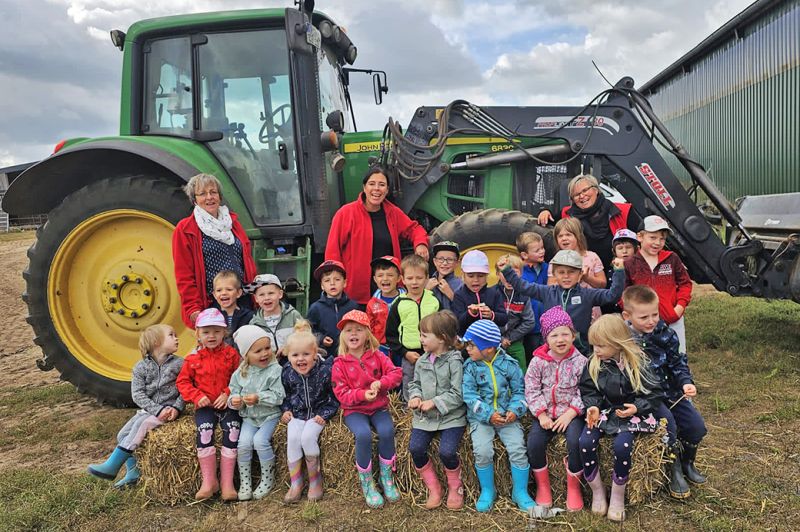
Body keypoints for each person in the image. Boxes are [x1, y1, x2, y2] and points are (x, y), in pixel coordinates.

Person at [622, 285, 707, 499]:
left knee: (696, 427)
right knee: (668, 425)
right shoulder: (623, 340)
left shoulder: (666, 333)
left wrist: (685, 382)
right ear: (627, 316)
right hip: (647, 398)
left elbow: (678, 362)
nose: (651, 321)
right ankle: (673, 468)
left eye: (655, 314)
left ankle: (688, 462)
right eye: (644, 317)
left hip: (671, 392)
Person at [579, 314, 663, 522]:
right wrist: (593, 407)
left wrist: (637, 407)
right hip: (605, 412)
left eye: (600, 346)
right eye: (593, 345)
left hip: (629, 414)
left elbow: (654, 393)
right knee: (585, 442)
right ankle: (597, 491)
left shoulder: (638, 363)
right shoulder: (594, 363)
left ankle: (617, 496)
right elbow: (589, 390)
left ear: (617, 343)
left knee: (622, 446)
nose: (595, 350)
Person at [87, 324, 184, 488]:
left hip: (170, 411)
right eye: (171, 335)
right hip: (151, 410)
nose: (177, 338)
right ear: (156, 342)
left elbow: (187, 388)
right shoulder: (140, 367)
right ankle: (133, 473)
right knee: (122, 435)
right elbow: (137, 394)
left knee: (142, 424)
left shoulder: (180, 364)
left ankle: (112, 466)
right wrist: (156, 410)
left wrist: (177, 407)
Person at [325, 166, 430, 305]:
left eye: (381, 185)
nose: (376, 189)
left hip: (389, 293)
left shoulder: (392, 212)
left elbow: (414, 229)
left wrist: (421, 244)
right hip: (356, 295)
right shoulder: (346, 213)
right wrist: (334, 284)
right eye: (372, 184)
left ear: (387, 190)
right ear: (364, 187)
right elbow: (333, 252)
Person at [331, 310, 403, 509]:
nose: (353, 333)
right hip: (354, 410)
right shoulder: (339, 364)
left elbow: (396, 373)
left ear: (367, 334)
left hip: (378, 407)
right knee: (363, 435)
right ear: (343, 336)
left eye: (359, 329)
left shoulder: (378, 356)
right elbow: (341, 393)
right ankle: (367, 483)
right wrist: (362, 395)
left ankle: (386, 478)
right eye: (348, 330)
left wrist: (381, 383)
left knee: (387, 431)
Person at [461, 320, 535, 513]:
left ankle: (520, 491)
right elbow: (469, 395)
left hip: (507, 417)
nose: (467, 349)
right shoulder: (470, 367)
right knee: (482, 451)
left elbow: (520, 391)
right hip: (481, 418)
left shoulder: (510, 364)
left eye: (472, 345)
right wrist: (488, 414)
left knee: (518, 448)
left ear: (488, 348)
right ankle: (488, 490)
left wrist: (515, 410)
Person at [500, 249, 625, 355]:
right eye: (561, 272)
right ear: (554, 274)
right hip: (552, 350)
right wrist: (507, 271)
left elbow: (612, 296)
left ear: (580, 274)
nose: (566, 276)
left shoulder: (587, 294)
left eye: (571, 272)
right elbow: (523, 286)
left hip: (580, 351)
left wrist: (619, 272)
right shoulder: (547, 292)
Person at [173, 173, 257, 328]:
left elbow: (247, 261)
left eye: (213, 192)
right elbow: (184, 274)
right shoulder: (185, 229)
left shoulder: (233, 223)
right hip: (214, 303)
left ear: (220, 196)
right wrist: (193, 307)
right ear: (194, 199)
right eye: (202, 194)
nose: (209, 197)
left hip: (242, 298)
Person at [176, 308, 242, 501]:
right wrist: (197, 396)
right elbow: (183, 382)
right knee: (205, 432)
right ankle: (209, 481)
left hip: (227, 405)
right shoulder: (192, 358)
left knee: (233, 431)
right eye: (206, 332)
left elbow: (240, 378)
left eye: (216, 331)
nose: (211, 336)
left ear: (224, 332)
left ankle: (227, 483)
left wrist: (227, 393)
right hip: (205, 407)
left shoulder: (231, 355)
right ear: (198, 334)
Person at [524, 308, 587, 511]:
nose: (560, 339)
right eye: (554, 335)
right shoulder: (538, 362)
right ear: (546, 339)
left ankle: (574, 487)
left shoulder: (581, 362)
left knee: (575, 441)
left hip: (571, 414)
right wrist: (541, 414)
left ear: (573, 336)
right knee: (534, 443)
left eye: (565, 334)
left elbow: (586, 390)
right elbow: (531, 389)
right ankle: (543, 486)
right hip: (547, 413)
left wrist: (571, 413)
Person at [407, 311, 466, 510]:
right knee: (416, 448)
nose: (420, 339)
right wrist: (415, 396)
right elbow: (415, 383)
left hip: (451, 417)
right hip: (425, 418)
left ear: (441, 338)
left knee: (447, 451)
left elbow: (458, 393)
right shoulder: (422, 361)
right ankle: (434, 488)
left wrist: (435, 402)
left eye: (424, 335)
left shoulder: (454, 361)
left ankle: (455, 487)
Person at [537, 174, 642, 274]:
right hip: (584, 274)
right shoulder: (567, 214)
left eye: (585, 190)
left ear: (596, 190)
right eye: (576, 195)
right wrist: (545, 211)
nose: (582, 196)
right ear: (572, 199)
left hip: (620, 271)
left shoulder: (624, 211)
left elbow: (641, 238)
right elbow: (549, 219)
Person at [281, 331, 339, 503]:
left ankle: (315, 480)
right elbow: (285, 395)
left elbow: (334, 397)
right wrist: (286, 410)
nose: (300, 359)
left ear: (315, 353)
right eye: (295, 355)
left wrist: (325, 414)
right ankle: (296, 482)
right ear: (288, 356)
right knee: (293, 438)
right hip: (297, 414)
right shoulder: (287, 372)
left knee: (307, 438)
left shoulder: (325, 371)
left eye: (306, 354)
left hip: (317, 414)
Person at [228, 325, 286, 501]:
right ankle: (245, 482)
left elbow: (279, 396)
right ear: (246, 355)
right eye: (258, 351)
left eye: (267, 348)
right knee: (243, 444)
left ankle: (267, 479)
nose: (264, 354)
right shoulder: (240, 373)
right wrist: (235, 401)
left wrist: (259, 397)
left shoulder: (275, 370)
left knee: (260, 441)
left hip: (270, 415)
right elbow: (233, 391)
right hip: (250, 417)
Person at [624, 215, 693, 353]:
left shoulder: (671, 258)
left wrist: (679, 308)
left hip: (672, 320)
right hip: (642, 324)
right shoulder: (630, 263)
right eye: (653, 237)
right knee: (645, 358)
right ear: (640, 237)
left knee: (677, 355)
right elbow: (624, 292)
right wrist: (634, 314)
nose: (658, 242)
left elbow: (685, 283)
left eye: (662, 238)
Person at [385, 254, 440, 398]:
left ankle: (431, 405)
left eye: (419, 278)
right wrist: (404, 352)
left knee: (433, 382)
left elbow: (442, 327)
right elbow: (391, 334)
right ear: (402, 279)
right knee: (410, 382)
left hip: (433, 353)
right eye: (409, 278)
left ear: (427, 278)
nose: (414, 282)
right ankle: (409, 408)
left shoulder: (433, 300)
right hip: (410, 354)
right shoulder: (398, 304)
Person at [307, 260, 359, 358]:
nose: (332, 283)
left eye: (337, 279)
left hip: (350, 355)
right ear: (322, 286)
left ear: (345, 283)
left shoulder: (353, 307)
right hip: (325, 357)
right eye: (327, 280)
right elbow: (308, 331)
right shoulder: (316, 308)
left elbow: (361, 330)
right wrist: (321, 339)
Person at [494, 254, 536, 371]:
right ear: (497, 273)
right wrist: (500, 338)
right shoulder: (492, 293)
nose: (509, 278)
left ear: (521, 274)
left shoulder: (524, 296)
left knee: (521, 368)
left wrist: (510, 338)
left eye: (514, 273)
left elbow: (529, 322)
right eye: (504, 273)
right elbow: (486, 320)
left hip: (514, 340)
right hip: (494, 340)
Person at [245, 274, 303, 359]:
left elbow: (305, 338)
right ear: (256, 298)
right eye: (261, 295)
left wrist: (288, 347)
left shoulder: (293, 315)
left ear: (280, 294)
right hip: (268, 363)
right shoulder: (254, 324)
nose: (266, 298)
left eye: (271, 293)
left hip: (293, 361)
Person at [451, 250, 507, 335]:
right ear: (463, 274)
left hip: (490, 339)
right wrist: (470, 313)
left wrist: (492, 315)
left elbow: (504, 319)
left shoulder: (494, 293)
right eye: (470, 276)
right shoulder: (459, 295)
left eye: (480, 276)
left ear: (487, 275)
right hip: (467, 340)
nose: (476, 280)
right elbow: (458, 324)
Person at [366, 256, 405, 357]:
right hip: (380, 348)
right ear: (375, 279)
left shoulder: (406, 300)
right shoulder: (372, 303)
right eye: (380, 275)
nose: (385, 279)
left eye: (390, 275)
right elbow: (369, 328)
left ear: (399, 278)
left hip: (402, 347)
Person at [551, 218, 606, 289]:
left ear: (578, 237)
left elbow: (603, 284)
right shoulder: (555, 260)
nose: (564, 238)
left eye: (568, 235)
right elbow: (551, 287)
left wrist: (587, 278)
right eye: (560, 236)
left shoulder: (592, 257)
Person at [517, 232, 548, 352]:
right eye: (537, 250)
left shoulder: (546, 268)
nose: (542, 252)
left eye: (542, 248)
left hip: (545, 323)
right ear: (524, 255)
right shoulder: (520, 272)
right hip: (530, 326)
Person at [602, 229, 639, 314]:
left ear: (637, 249)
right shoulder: (611, 271)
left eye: (628, 247)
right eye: (620, 248)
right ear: (614, 251)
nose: (624, 251)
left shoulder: (642, 268)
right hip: (616, 312)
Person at [212, 270, 254, 345]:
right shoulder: (211, 317)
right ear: (214, 295)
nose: (224, 293)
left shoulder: (249, 316)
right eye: (219, 290)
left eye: (229, 289)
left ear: (238, 293)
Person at [426, 241, 464, 311]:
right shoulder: (426, 283)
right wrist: (425, 291)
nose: (445, 263)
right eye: (440, 259)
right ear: (434, 261)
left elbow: (466, 310)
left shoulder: (461, 285)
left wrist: (451, 295)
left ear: (457, 263)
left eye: (450, 259)